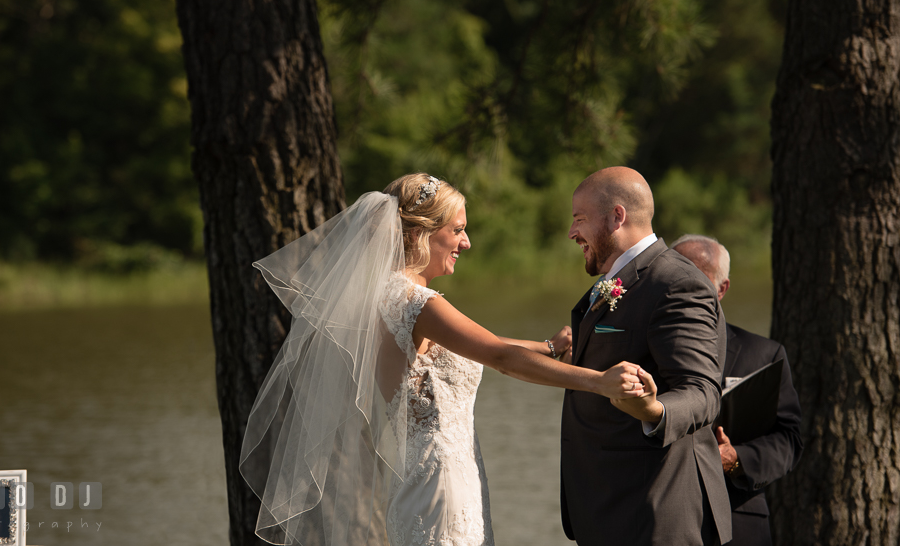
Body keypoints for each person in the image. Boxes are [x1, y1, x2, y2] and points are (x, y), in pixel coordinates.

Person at [240, 172, 654, 546]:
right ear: (421, 233)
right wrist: (598, 381)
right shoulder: (419, 303)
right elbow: (498, 356)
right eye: (457, 230)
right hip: (443, 483)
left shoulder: (384, 298)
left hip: (416, 480)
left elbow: (481, 345)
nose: (466, 243)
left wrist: (546, 346)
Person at [560, 166, 732, 546]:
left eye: (580, 220)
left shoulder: (677, 283)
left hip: (655, 514)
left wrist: (655, 411)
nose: (573, 233)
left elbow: (703, 391)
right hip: (609, 507)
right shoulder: (616, 281)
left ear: (616, 216)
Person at [672, 234, 803, 546]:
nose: (682, 291)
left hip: (736, 522)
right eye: (675, 279)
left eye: (697, 281)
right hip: (656, 522)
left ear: (722, 289)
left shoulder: (764, 355)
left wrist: (736, 458)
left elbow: (789, 439)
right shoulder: (637, 352)